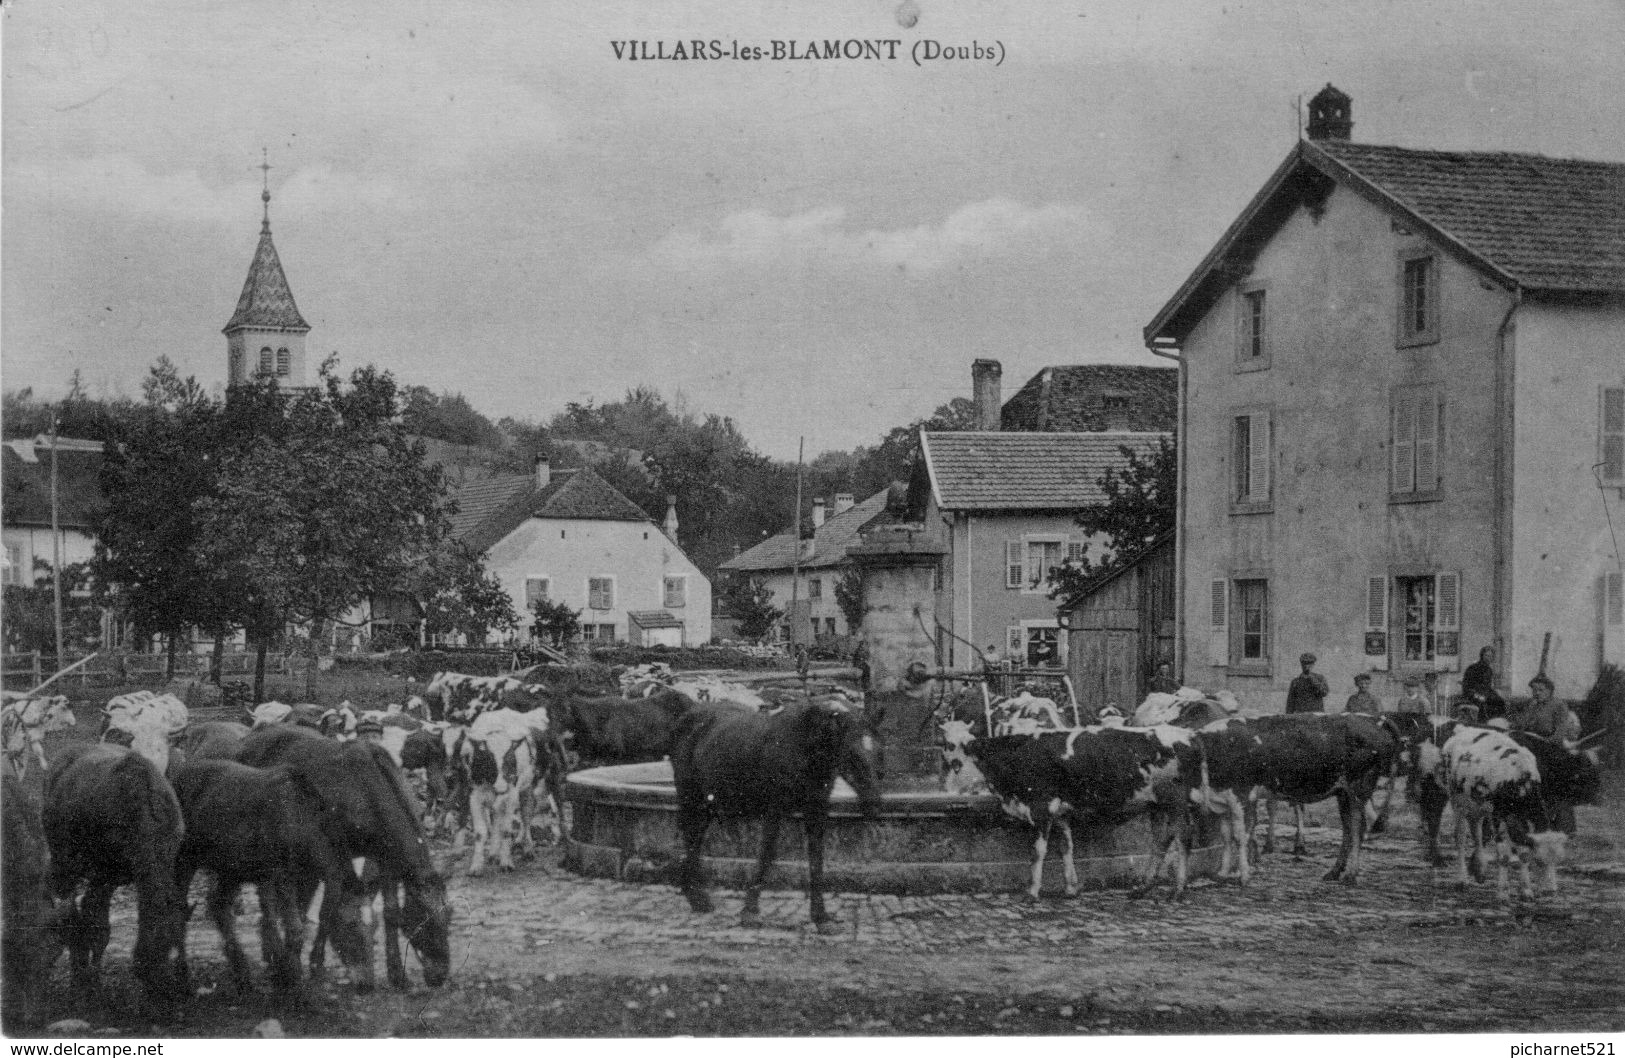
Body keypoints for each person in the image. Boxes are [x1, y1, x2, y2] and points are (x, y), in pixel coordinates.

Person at [1509, 674, 1580, 742]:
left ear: (1549, 691)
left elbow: (1560, 732)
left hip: (1548, 744)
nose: (1537, 693)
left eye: (1541, 690)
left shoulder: (1559, 705)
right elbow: (1521, 724)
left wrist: (1547, 741)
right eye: (1534, 690)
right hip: (1530, 739)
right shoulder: (1532, 704)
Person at [1462, 645, 1508, 722]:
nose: (1488, 658)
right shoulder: (1473, 668)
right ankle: (1483, 725)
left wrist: (1497, 695)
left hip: (1485, 694)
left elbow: (1488, 687)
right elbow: (1467, 687)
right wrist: (1477, 696)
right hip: (1473, 695)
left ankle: (1496, 724)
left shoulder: (1489, 670)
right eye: (1486, 655)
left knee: (1501, 702)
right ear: (1482, 656)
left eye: (1491, 656)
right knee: (1484, 705)